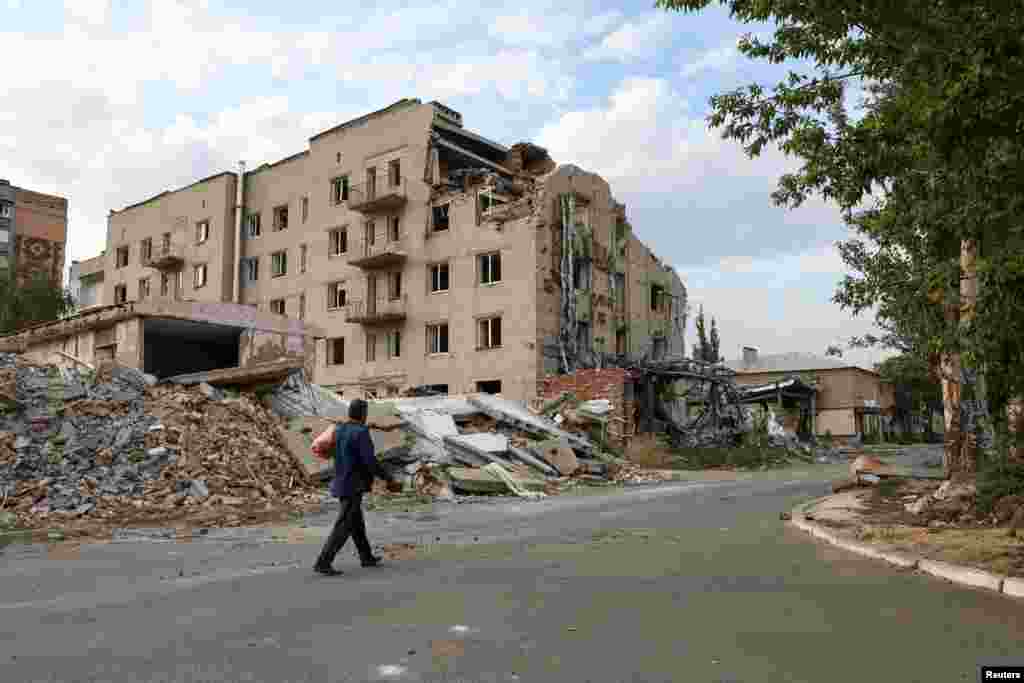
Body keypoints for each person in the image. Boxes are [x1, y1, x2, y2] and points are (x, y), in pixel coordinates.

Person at [311, 398, 397, 576]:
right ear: (363, 414)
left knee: (356, 522)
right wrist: (388, 478)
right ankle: (323, 561)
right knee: (344, 525)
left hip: (341, 480)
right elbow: (370, 461)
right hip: (354, 484)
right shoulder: (360, 432)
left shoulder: (341, 429)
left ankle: (366, 557)